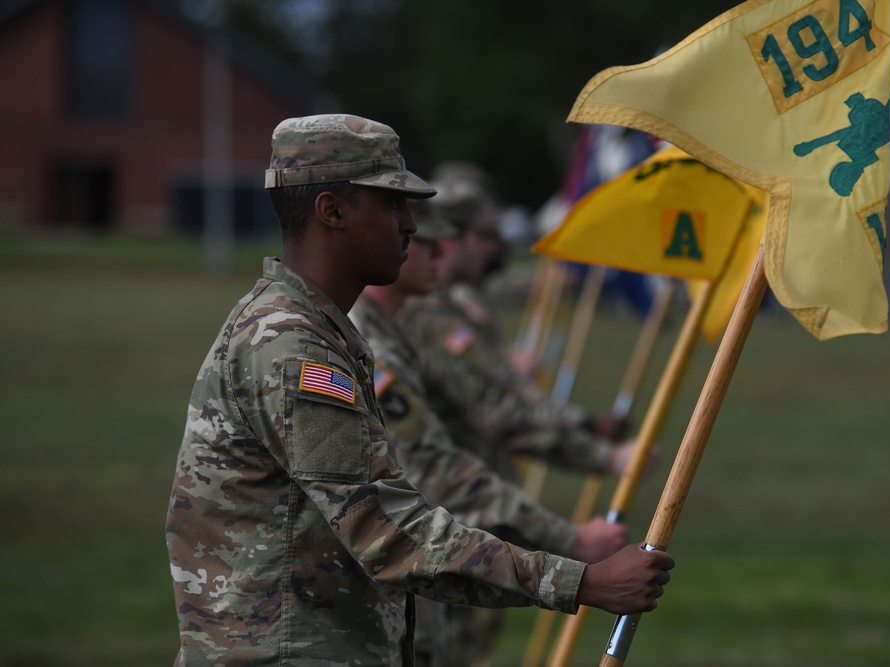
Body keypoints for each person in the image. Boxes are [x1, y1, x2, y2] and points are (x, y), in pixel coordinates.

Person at [164, 113, 674, 667]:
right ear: (331, 210)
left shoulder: (318, 329)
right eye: (390, 204)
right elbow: (389, 532)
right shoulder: (289, 346)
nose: (411, 226)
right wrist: (580, 581)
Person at [349, 203, 627, 665]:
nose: (441, 255)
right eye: (425, 243)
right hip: (416, 557)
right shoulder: (374, 344)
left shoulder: (400, 328)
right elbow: (437, 461)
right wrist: (568, 539)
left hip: (437, 551)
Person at [399, 172, 634, 483]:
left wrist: (584, 424)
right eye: (484, 236)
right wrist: (605, 455)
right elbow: (498, 407)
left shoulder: (453, 303)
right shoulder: (427, 313)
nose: (494, 249)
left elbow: (500, 384)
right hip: (458, 504)